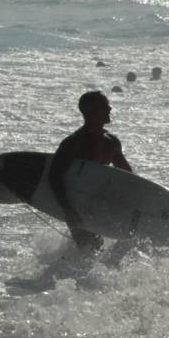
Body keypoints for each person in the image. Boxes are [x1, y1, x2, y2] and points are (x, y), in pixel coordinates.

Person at [50, 91, 132, 251]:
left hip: (101, 203)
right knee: (88, 248)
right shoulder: (73, 143)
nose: (110, 109)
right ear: (92, 111)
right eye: (105, 106)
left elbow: (128, 177)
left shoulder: (112, 142)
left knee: (104, 248)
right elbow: (54, 178)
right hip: (77, 206)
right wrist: (68, 211)